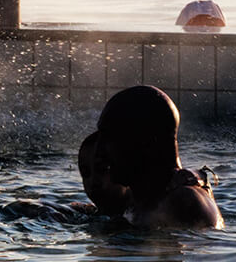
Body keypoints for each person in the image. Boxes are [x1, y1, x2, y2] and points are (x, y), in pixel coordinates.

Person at [84, 85, 223, 229]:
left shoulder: (181, 203)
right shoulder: (146, 200)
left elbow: (189, 246)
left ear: (146, 142)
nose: (99, 152)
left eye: (109, 138)